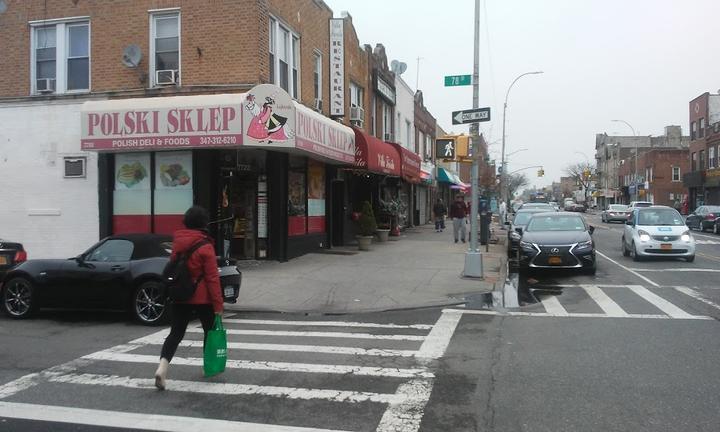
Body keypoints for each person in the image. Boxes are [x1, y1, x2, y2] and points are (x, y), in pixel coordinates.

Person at [155, 206, 224, 390]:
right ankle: (207, 367)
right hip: (203, 298)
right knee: (209, 333)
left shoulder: (178, 243)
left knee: (175, 333)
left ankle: (162, 367)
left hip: (181, 295)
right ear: (204, 223)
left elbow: (174, 268)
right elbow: (212, 278)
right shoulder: (205, 246)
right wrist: (218, 304)